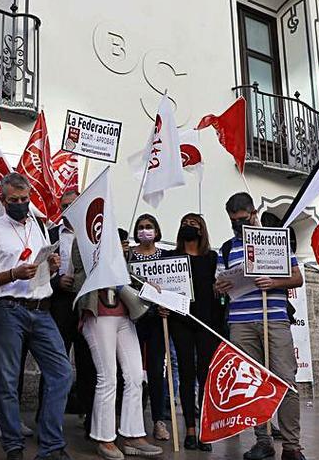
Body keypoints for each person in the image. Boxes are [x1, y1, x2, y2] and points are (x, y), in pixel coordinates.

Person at [0, 172, 70, 460]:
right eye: (14, 200)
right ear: (3, 200)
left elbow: (42, 267)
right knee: (7, 381)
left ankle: (51, 445)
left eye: (24, 199)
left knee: (62, 373)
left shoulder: (39, 224)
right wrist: (13, 274)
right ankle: (14, 447)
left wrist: (51, 266)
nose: (21, 204)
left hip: (41, 309)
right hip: (8, 309)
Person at [215, 192, 305, 460]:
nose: (237, 225)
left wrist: (274, 283)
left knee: (285, 380)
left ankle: (291, 445)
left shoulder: (276, 241)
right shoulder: (227, 248)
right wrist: (220, 286)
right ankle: (263, 440)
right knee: (253, 383)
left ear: (253, 213)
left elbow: (298, 277)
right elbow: (218, 284)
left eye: (242, 219)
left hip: (274, 319)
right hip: (240, 322)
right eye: (233, 221)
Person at [72, 229, 163, 459]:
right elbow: (78, 277)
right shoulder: (83, 243)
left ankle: (133, 435)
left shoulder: (119, 249)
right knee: (108, 377)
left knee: (134, 376)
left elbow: (130, 278)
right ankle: (104, 438)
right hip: (98, 315)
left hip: (123, 316)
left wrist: (145, 285)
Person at [162, 213, 223, 452]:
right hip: (181, 320)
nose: (188, 227)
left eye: (194, 224)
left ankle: (205, 431)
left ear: (202, 230)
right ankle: (189, 428)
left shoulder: (211, 258)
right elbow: (160, 287)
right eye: (184, 224)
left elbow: (219, 287)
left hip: (206, 321)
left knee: (205, 376)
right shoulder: (171, 257)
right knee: (186, 373)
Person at [41, 191, 95, 435]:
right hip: (58, 306)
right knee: (54, 361)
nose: (68, 210)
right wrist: (55, 282)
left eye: (73, 205)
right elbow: (37, 268)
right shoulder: (48, 234)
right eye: (64, 206)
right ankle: (46, 418)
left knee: (89, 364)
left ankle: (92, 420)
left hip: (86, 305)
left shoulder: (94, 235)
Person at [128, 214, 170, 442]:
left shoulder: (165, 256)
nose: (145, 231)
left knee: (156, 370)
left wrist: (169, 308)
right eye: (141, 227)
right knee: (130, 370)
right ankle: (130, 421)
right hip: (132, 319)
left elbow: (174, 285)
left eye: (149, 227)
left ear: (156, 230)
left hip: (156, 320)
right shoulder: (129, 255)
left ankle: (159, 421)